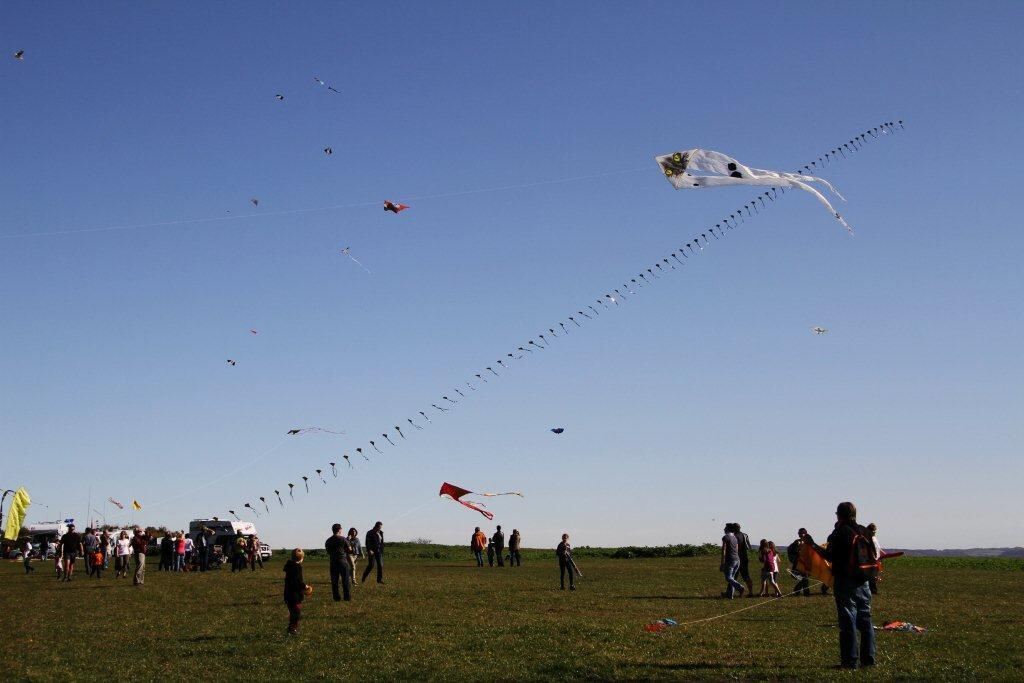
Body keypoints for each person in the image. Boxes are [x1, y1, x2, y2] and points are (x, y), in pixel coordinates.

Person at [809, 502, 876, 670]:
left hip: (845, 581)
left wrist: (812, 545)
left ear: (839, 515)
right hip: (864, 581)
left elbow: (830, 556)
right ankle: (868, 660)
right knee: (866, 620)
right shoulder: (865, 532)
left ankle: (850, 662)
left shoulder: (840, 532)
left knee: (848, 622)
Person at [283, 548, 309, 635]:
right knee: (296, 612)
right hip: (294, 594)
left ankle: (292, 628)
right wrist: (304, 586)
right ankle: (292, 628)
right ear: (301, 558)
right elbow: (297, 581)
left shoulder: (289, 565)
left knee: (294, 611)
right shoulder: (297, 567)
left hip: (288, 593)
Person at [325, 523, 353, 602]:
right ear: (339, 530)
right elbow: (350, 550)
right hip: (342, 561)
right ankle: (347, 597)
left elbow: (328, 551)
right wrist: (348, 541)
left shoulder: (328, 540)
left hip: (333, 561)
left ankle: (336, 597)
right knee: (345, 580)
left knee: (334, 581)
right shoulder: (343, 539)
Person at [720, 523, 744, 598]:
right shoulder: (734, 537)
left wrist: (722, 563)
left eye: (725, 528)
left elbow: (724, 550)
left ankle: (740, 587)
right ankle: (730, 595)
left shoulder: (725, 537)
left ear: (728, 529)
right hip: (737, 559)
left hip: (730, 560)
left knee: (728, 578)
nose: (724, 529)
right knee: (732, 578)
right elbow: (736, 549)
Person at [787, 528, 812, 597]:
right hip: (798, 562)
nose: (800, 534)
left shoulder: (809, 541)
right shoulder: (797, 542)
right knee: (799, 576)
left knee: (805, 578)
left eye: (802, 533)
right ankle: (802, 592)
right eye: (799, 533)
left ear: (805, 533)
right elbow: (795, 551)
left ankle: (802, 592)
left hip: (805, 562)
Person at [734, 523, 754, 596]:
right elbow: (749, 547)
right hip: (744, 557)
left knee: (733, 576)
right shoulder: (745, 535)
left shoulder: (734, 536)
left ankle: (733, 592)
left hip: (736, 557)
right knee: (746, 575)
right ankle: (751, 592)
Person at [867, 523, 882, 595]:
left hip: (877, 558)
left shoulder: (875, 538)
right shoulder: (868, 538)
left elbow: (878, 548)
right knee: (872, 575)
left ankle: (873, 590)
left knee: (875, 575)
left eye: (875, 531)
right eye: (873, 531)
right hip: (871, 559)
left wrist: (881, 555)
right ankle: (873, 590)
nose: (874, 532)